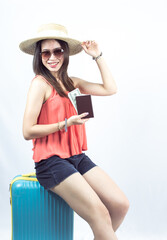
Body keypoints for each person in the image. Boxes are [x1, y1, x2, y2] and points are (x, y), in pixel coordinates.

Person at [20, 23, 129, 240]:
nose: (52, 57)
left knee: (120, 205)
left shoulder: (73, 83)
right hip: (50, 162)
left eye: (57, 51)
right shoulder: (40, 85)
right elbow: (27, 130)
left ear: (65, 53)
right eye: (46, 52)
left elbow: (111, 88)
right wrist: (64, 123)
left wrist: (97, 56)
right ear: (39, 56)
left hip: (75, 157)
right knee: (99, 214)